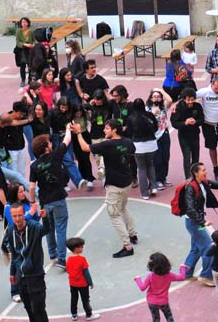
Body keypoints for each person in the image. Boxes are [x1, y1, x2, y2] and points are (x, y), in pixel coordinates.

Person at [72, 119, 138, 258]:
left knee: (114, 214)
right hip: (127, 182)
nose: (104, 130)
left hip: (115, 185)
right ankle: (133, 234)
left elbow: (85, 148)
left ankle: (127, 246)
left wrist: (78, 133)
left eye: (107, 128)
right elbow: (131, 152)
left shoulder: (108, 145)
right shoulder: (128, 142)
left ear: (114, 130)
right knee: (123, 208)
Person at [7, 202, 53, 322]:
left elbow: (47, 229)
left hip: (35, 276)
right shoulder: (10, 230)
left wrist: (45, 218)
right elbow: (14, 254)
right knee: (28, 306)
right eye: (14, 216)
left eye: (20, 215)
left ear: (24, 214)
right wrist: (13, 273)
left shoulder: (33, 226)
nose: (18, 218)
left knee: (38, 308)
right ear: (11, 216)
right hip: (21, 276)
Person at [29, 130, 73, 270]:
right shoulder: (55, 156)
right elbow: (67, 140)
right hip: (59, 198)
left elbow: (31, 187)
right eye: (49, 142)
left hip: (44, 201)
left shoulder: (34, 166)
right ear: (46, 147)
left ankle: (52, 254)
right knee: (60, 228)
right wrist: (68, 128)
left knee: (49, 228)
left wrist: (32, 202)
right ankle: (61, 258)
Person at [134, 253, 186, 322]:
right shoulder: (169, 275)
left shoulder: (151, 276)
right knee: (169, 316)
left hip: (151, 302)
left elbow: (142, 288)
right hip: (163, 302)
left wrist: (137, 279)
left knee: (156, 319)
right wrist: (182, 268)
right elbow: (182, 277)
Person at [48, 96, 86, 190]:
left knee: (69, 159)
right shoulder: (52, 113)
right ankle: (78, 180)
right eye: (62, 107)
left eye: (66, 107)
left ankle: (65, 182)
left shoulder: (71, 110)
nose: (64, 110)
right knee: (67, 159)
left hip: (68, 136)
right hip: (56, 137)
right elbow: (48, 126)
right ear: (58, 106)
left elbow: (83, 107)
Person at [197, 77, 218, 178]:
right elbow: (189, 96)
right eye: (216, 88)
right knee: (212, 147)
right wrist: (176, 105)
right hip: (208, 123)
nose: (217, 91)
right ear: (211, 85)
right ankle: (216, 167)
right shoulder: (204, 92)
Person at [127, 98, 158, 200]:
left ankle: (144, 193)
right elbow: (156, 127)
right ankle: (153, 187)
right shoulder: (150, 115)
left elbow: (129, 132)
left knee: (141, 168)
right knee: (151, 164)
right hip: (152, 144)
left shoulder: (131, 117)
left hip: (138, 146)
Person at [170, 88, 204, 179]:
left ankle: (196, 176)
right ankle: (188, 178)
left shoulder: (197, 107)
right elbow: (174, 123)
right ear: (184, 99)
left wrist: (195, 122)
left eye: (192, 99)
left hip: (195, 135)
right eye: (188, 100)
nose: (190, 102)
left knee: (196, 157)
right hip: (183, 136)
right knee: (187, 158)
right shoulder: (178, 108)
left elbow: (202, 119)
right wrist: (185, 123)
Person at [65, 237, 100, 321]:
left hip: (72, 283)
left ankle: (74, 314)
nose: (82, 248)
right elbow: (86, 273)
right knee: (85, 300)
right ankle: (89, 315)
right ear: (76, 248)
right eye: (81, 246)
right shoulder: (82, 259)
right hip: (82, 284)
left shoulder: (69, 259)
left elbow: (68, 270)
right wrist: (90, 282)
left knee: (74, 299)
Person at [146, 88, 173, 189]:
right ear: (151, 98)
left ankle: (163, 178)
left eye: (158, 97)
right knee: (157, 159)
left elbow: (170, 100)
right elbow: (145, 121)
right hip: (154, 136)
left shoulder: (163, 107)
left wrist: (161, 91)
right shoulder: (147, 109)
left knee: (166, 157)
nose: (157, 99)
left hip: (164, 133)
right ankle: (157, 180)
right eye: (154, 97)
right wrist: (153, 114)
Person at [70, 104, 94, 191]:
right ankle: (82, 177)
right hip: (75, 138)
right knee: (79, 159)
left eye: (80, 112)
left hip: (85, 136)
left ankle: (90, 178)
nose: (78, 115)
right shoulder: (70, 118)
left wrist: (85, 104)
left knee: (86, 158)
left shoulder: (86, 116)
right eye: (77, 113)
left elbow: (91, 108)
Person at [15, 17, 35, 87]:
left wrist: (33, 45)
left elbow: (34, 40)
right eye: (22, 22)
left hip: (30, 50)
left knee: (30, 66)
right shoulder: (18, 31)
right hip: (22, 51)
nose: (24, 23)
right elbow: (17, 42)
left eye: (25, 22)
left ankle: (30, 79)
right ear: (20, 23)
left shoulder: (31, 31)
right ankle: (23, 80)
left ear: (28, 23)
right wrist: (24, 44)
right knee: (22, 66)